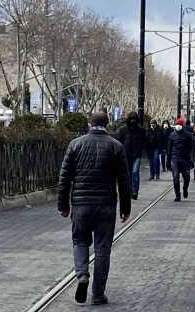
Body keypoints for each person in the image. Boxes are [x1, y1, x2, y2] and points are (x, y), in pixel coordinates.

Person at [57, 112, 131, 306]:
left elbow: (64, 178)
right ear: (107, 124)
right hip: (106, 205)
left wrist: (63, 205)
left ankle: (82, 274)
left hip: (80, 205)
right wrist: (125, 208)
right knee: (102, 249)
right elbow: (124, 181)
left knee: (80, 241)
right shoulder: (116, 146)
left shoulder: (75, 144)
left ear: (90, 124)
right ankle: (98, 293)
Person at [115, 111, 146, 200]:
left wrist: (141, 148)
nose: (133, 121)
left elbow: (145, 140)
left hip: (137, 155)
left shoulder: (141, 130)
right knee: (127, 174)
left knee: (135, 172)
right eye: (131, 119)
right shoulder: (123, 130)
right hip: (126, 155)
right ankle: (128, 190)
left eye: (134, 119)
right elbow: (118, 141)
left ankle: (135, 191)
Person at [167, 117, 194, 201]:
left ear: (183, 126)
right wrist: (168, 161)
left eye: (179, 125)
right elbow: (169, 148)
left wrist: (192, 159)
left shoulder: (188, 135)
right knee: (175, 177)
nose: (178, 126)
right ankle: (177, 195)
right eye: (177, 125)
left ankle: (185, 189)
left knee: (186, 177)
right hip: (175, 159)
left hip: (185, 159)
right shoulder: (172, 135)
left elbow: (192, 148)